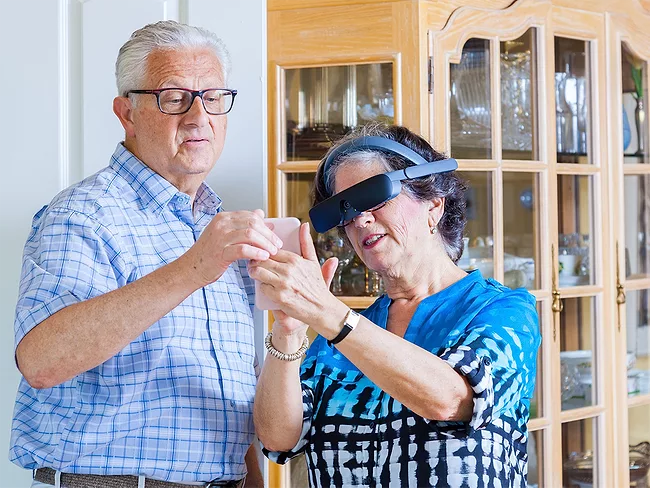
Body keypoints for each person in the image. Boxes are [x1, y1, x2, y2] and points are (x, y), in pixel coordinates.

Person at [11, 20, 275, 488]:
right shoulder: (83, 215)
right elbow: (41, 361)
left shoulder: (219, 229)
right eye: (174, 98)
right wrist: (193, 268)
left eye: (213, 97)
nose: (198, 117)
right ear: (127, 113)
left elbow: (229, 410)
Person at [251, 123, 541, 487]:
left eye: (375, 197)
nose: (360, 220)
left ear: (433, 206)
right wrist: (288, 331)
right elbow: (279, 438)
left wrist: (327, 312)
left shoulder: (503, 311)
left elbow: (451, 400)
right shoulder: (336, 339)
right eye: (346, 211)